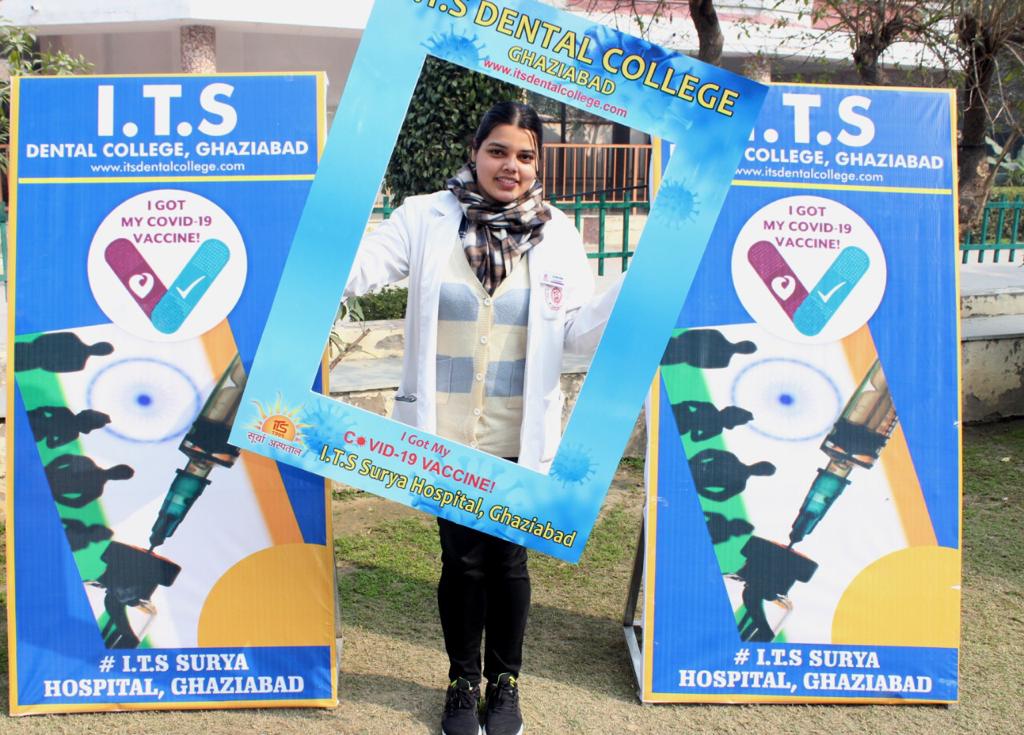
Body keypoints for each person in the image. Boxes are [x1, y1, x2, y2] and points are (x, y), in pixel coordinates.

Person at [345, 101, 617, 735]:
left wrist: (637, 290)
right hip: (445, 438)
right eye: (498, 151)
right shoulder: (424, 217)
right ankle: (463, 682)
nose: (510, 166)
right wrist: (309, 242)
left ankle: (506, 683)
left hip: (518, 435)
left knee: (510, 563)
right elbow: (358, 271)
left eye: (525, 155)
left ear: (538, 164)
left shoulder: (558, 232)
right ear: (474, 152)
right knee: (462, 561)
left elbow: (576, 335)